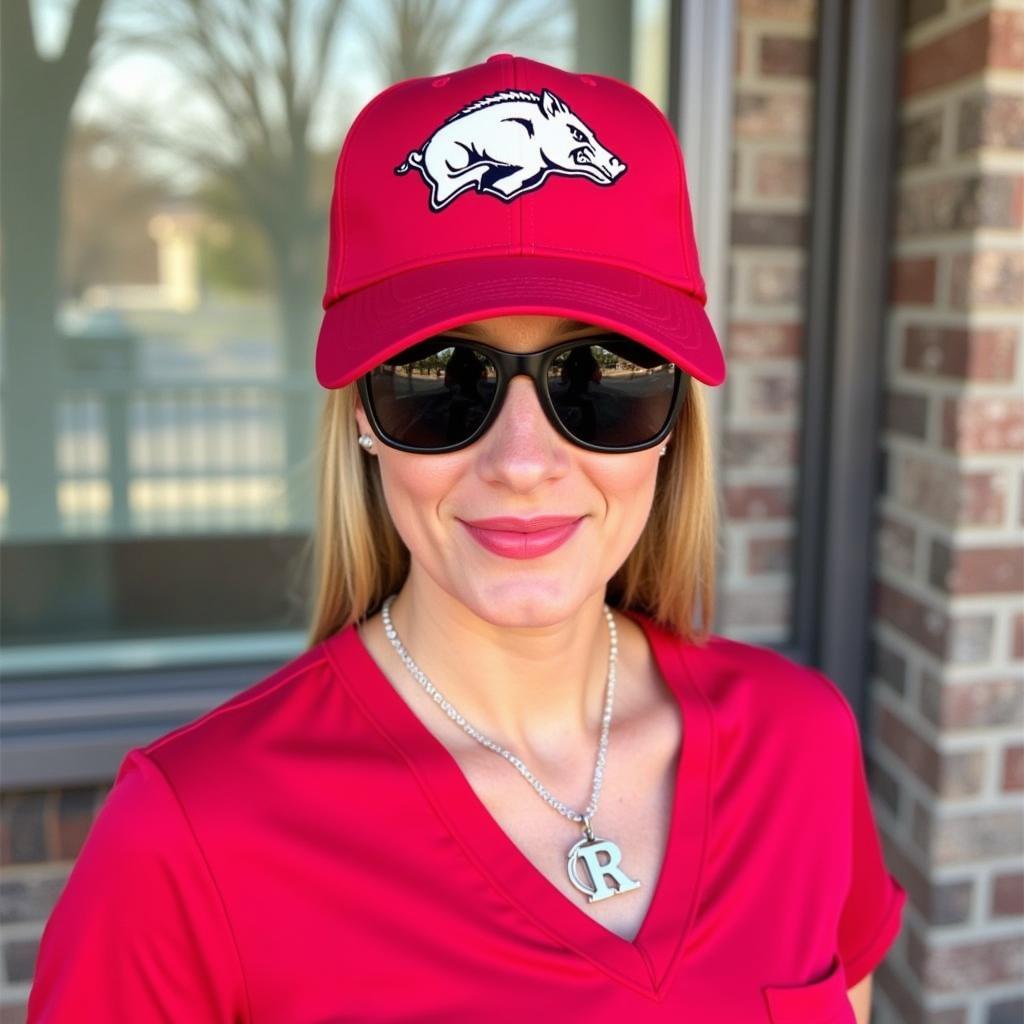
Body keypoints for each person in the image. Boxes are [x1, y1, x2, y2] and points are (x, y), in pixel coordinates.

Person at [26, 53, 906, 1022]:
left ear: (674, 421)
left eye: (602, 375)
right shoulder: (192, 834)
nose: (521, 460)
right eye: (440, 377)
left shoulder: (800, 743)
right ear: (361, 418)